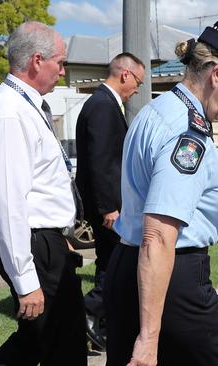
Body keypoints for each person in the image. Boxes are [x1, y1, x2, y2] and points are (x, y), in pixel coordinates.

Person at [104, 20, 218, 366]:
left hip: (127, 268)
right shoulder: (187, 133)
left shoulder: (154, 111)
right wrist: (149, 339)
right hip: (172, 278)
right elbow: (159, 235)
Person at [0, 21, 87, 365]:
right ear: (37, 61)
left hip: (45, 243)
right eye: (60, 62)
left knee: (52, 340)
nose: (63, 71)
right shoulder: (9, 113)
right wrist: (26, 281)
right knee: (50, 342)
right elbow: (9, 204)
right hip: (33, 245)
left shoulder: (25, 106)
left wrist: (59, 237)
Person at [75, 52, 146, 351]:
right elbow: (102, 162)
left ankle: (99, 326)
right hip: (109, 209)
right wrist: (109, 209)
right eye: (139, 82)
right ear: (125, 74)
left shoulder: (101, 103)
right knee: (118, 268)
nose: (138, 89)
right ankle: (88, 312)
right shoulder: (103, 106)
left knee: (108, 265)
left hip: (107, 206)